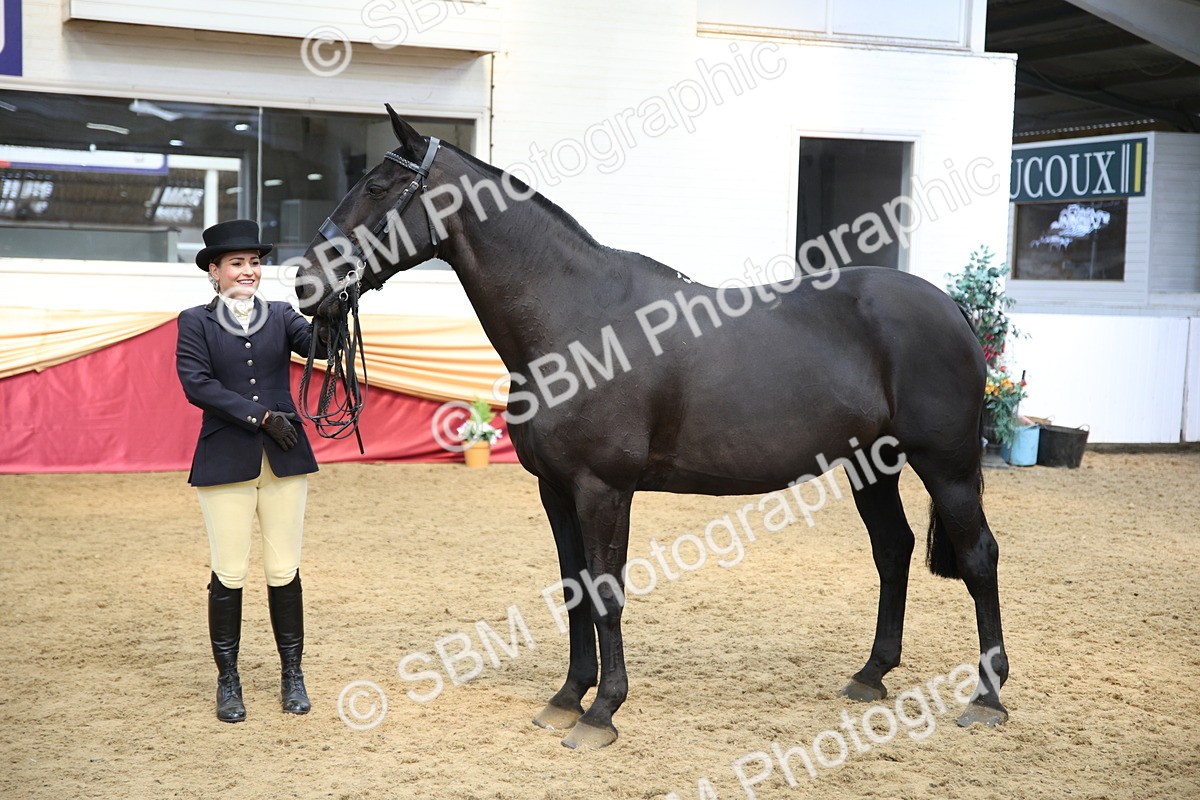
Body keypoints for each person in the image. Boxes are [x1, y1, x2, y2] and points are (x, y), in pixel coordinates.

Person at [175, 219, 324, 723]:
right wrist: (259, 416)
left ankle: (292, 675)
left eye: (255, 263)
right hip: (226, 459)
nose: (248, 271)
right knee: (230, 570)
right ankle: (229, 681)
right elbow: (197, 384)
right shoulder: (195, 321)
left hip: (285, 460)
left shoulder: (282, 315)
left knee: (285, 569)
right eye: (237, 263)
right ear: (214, 271)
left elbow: (321, 348)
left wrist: (337, 306)